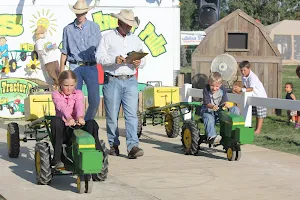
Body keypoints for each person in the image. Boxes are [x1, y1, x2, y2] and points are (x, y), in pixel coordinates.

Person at [96, 9, 146, 159]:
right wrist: (113, 60)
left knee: (132, 115)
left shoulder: (135, 40)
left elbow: (143, 61)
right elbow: (99, 57)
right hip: (112, 79)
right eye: (127, 24)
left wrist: (139, 62)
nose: (130, 27)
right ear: (119, 22)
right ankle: (113, 144)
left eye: (131, 25)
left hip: (130, 79)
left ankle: (133, 146)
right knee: (112, 116)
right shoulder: (107, 38)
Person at [51, 70, 101, 169]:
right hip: (64, 130)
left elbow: (79, 105)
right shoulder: (56, 94)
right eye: (66, 85)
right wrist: (69, 118)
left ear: (75, 84)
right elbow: (61, 106)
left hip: (77, 127)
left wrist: (80, 117)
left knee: (92, 123)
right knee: (56, 121)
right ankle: (57, 158)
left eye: (71, 85)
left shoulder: (78, 93)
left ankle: (99, 154)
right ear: (60, 84)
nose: (69, 88)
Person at [60, 0, 101, 120]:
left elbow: (101, 49)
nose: (80, 15)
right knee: (72, 99)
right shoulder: (67, 29)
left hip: (91, 66)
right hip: (74, 66)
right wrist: (62, 74)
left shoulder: (94, 27)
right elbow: (64, 52)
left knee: (94, 100)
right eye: (78, 12)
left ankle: (85, 122)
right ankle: (73, 124)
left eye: (82, 12)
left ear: (86, 12)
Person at [201, 72, 240, 144]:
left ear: (220, 85)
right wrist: (212, 106)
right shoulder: (206, 89)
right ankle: (212, 136)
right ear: (209, 82)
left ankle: (233, 132)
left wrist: (225, 104)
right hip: (208, 110)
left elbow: (224, 100)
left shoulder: (222, 89)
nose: (214, 88)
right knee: (209, 117)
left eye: (217, 86)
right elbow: (206, 103)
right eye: (212, 85)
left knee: (235, 109)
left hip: (219, 110)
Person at [233, 60, 268, 134]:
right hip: (253, 97)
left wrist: (241, 90)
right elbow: (245, 87)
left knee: (260, 114)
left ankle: (258, 130)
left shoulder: (253, 77)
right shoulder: (244, 77)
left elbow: (251, 88)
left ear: (249, 68)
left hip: (260, 97)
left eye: (244, 70)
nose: (243, 72)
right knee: (252, 113)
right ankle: (250, 128)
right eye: (241, 70)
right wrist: (239, 90)